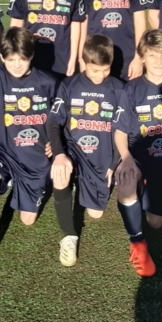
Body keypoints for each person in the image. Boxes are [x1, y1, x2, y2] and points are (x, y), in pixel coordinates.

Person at [0, 27, 59, 271]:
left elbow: (59, 119)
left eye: (22, 59)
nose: (16, 65)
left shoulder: (48, 82)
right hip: (4, 151)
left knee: (27, 220)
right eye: (10, 59)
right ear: (1, 56)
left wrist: (57, 143)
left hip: (35, 158)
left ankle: (24, 182)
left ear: (32, 55)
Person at [113, 29, 162, 277]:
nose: (158, 61)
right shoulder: (131, 90)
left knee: (155, 222)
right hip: (138, 156)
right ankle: (138, 243)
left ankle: (147, 190)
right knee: (126, 180)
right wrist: (126, 158)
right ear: (142, 57)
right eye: (151, 55)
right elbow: (120, 130)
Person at [47, 34, 126, 266]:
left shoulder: (119, 89)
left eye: (105, 70)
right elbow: (54, 122)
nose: (100, 76)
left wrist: (113, 164)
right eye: (94, 70)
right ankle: (69, 236)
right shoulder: (68, 85)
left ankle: (86, 180)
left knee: (95, 213)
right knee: (60, 173)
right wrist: (59, 154)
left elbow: (123, 131)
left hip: (101, 154)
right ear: (83, 62)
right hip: (73, 148)